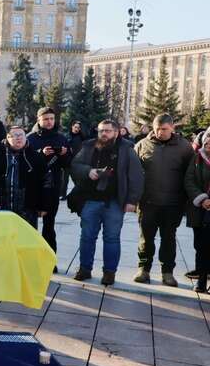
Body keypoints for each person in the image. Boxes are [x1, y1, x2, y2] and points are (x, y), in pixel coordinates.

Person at [71, 120, 144, 286]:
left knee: (111, 238)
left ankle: (109, 273)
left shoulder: (127, 149)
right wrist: (88, 171)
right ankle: (84, 269)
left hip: (114, 202)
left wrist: (132, 200)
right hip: (91, 200)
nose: (104, 134)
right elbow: (75, 165)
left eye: (108, 131)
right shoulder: (89, 145)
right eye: (101, 131)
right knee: (87, 236)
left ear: (117, 132)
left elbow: (136, 176)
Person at [132, 114, 194, 287]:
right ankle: (144, 269)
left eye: (164, 129)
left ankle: (167, 272)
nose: (160, 132)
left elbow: (191, 175)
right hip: (148, 202)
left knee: (169, 239)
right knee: (146, 238)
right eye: (157, 128)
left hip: (173, 203)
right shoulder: (142, 145)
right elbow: (133, 174)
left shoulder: (184, 147)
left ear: (172, 128)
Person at [27, 107, 72, 265]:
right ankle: (30, 260)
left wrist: (65, 154)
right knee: (30, 226)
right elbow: (25, 161)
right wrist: (40, 153)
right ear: (38, 120)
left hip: (52, 187)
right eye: (46, 119)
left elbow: (68, 164)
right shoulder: (30, 138)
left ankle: (49, 261)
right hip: (33, 187)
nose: (49, 122)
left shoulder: (61, 138)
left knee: (49, 225)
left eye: (52, 119)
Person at [0, 126, 46, 226]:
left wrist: (43, 205)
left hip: (27, 210)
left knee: (25, 239)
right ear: (8, 138)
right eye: (15, 135)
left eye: (21, 135)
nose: (19, 138)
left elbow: (46, 182)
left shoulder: (35, 157)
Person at [184, 131, 210, 293]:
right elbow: (189, 180)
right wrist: (203, 199)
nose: (208, 146)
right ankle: (201, 280)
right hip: (199, 209)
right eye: (207, 143)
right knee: (201, 245)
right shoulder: (196, 159)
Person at [61, 120, 85, 199]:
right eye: (75, 127)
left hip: (76, 162)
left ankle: (79, 194)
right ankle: (63, 195)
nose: (77, 129)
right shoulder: (66, 136)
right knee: (65, 180)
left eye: (78, 128)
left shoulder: (81, 137)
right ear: (72, 127)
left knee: (76, 179)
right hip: (67, 161)